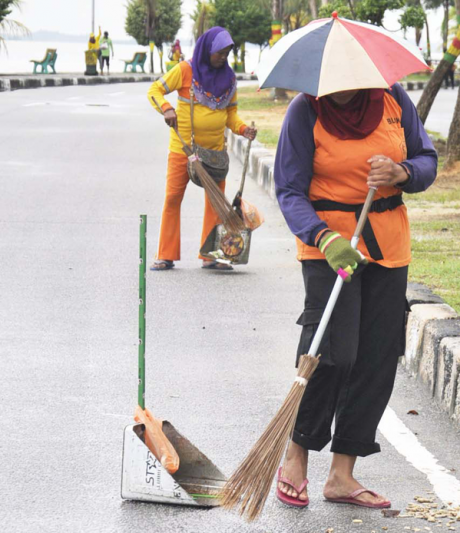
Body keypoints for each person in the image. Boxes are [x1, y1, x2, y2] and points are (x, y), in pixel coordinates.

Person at [273, 83, 438, 508]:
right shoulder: (305, 110)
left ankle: (341, 476)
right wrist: (322, 237)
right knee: (332, 353)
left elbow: (427, 161)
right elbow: (288, 190)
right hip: (330, 248)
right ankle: (296, 454)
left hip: (387, 247)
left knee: (375, 358)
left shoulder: (392, 99)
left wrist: (402, 172)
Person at [146, 27, 257, 271]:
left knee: (215, 203)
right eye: (219, 53)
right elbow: (154, 90)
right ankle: (165, 254)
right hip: (183, 150)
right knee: (172, 199)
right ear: (207, 50)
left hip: (215, 154)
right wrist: (166, 108)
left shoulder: (229, 79)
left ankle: (211, 254)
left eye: (227, 53)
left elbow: (231, 115)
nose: (223, 58)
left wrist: (242, 129)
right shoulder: (185, 70)